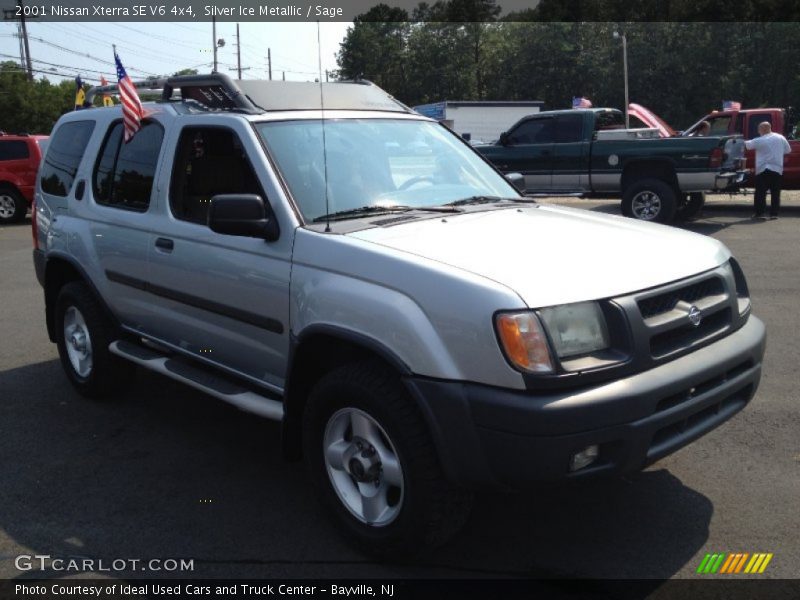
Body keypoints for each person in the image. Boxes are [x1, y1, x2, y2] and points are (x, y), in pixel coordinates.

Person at [745, 121, 792, 219]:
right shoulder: (781, 137)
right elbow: (788, 150)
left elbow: (747, 145)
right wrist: (777, 152)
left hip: (763, 169)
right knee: (775, 193)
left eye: (759, 129)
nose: (758, 131)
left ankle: (760, 213)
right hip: (777, 168)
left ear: (763, 129)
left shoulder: (760, 140)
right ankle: (774, 214)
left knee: (760, 193)